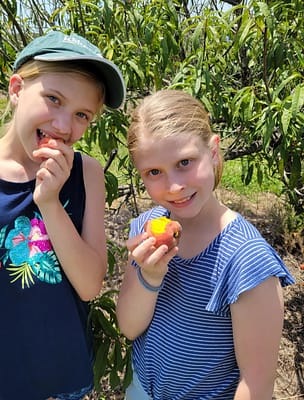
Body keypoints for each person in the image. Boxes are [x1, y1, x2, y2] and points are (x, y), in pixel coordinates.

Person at [0, 30, 125, 400]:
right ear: (16, 89)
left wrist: (50, 202)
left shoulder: (87, 174)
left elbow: (89, 285)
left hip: (62, 379)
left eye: (82, 114)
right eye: (53, 99)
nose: (64, 127)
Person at [116, 89, 295, 400]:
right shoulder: (149, 226)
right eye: (154, 172)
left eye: (185, 162)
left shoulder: (244, 258)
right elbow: (129, 328)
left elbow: (256, 385)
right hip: (141, 390)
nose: (174, 186)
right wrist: (150, 276)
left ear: (213, 151)